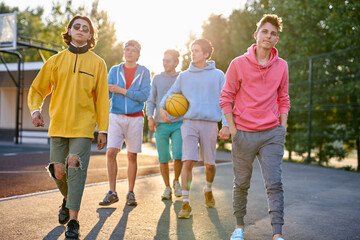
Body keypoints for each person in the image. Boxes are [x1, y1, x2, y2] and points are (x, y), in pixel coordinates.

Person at [28, 15, 109, 239]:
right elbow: (37, 90)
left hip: (83, 127)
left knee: (75, 167)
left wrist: (103, 129)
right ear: (70, 31)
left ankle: (73, 221)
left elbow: (102, 99)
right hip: (58, 126)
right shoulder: (55, 61)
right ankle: (67, 199)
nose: (81, 30)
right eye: (77, 27)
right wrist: (35, 110)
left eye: (86, 28)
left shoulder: (98, 63)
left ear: (91, 36)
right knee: (58, 170)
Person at [219, 14, 290, 240]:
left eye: (273, 34)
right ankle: (239, 227)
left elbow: (284, 99)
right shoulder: (238, 64)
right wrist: (233, 129)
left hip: (271, 134)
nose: (268, 36)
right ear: (256, 35)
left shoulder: (282, 66)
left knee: (274, 183)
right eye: (265, 31)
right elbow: (226, 97)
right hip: (244, 134)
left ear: (276, 39)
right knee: (241, 184)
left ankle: (277, 234)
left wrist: (282, 129)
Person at [159, 39, 229, 219]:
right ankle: (186, 203)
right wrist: (162, 107)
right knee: (187, 161)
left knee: (209, 164)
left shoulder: (218, 75)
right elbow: (170, 94)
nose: (193, 53)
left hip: (209, 124)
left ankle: (208, 189)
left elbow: (225, 102)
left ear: (206, 54)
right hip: (189, 123)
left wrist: (226, 125)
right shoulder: (184, 76)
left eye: (197, 51)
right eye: (192, 50)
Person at [99, 40, 151, 207]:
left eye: (132, 50)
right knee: (111, 152)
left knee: (131, 155)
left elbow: (144, 96)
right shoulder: (115, 70)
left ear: (138, 54)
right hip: (116, 116)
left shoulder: (144, 72)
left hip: (135, 117)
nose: (128, 53)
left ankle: (130, 192)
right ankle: (112, 192)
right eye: (126, 50)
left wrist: (121, 91)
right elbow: (106, 93)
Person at [146, 49, 183, 200]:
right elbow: (151, 100)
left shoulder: (182, 77)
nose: (165, 63)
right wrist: (149, 117)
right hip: (161, 124)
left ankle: (176, 182)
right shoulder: (157, 79)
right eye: (163, 60)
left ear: (176, 62)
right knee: (163, 158)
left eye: (168, 60)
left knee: (179, 154)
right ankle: (167, 187)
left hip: (178, 123)